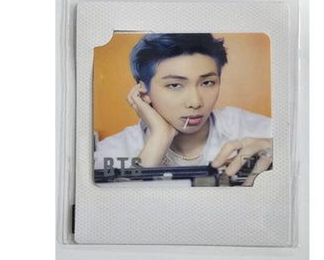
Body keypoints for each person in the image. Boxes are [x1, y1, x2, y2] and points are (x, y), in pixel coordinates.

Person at [94, 33, 272, 186]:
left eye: (207, 83)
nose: (195, 102)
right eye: (174, 85)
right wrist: (159, 138)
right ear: (144, 93)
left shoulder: (251, 128)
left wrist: (281, 153)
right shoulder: (111, 152)